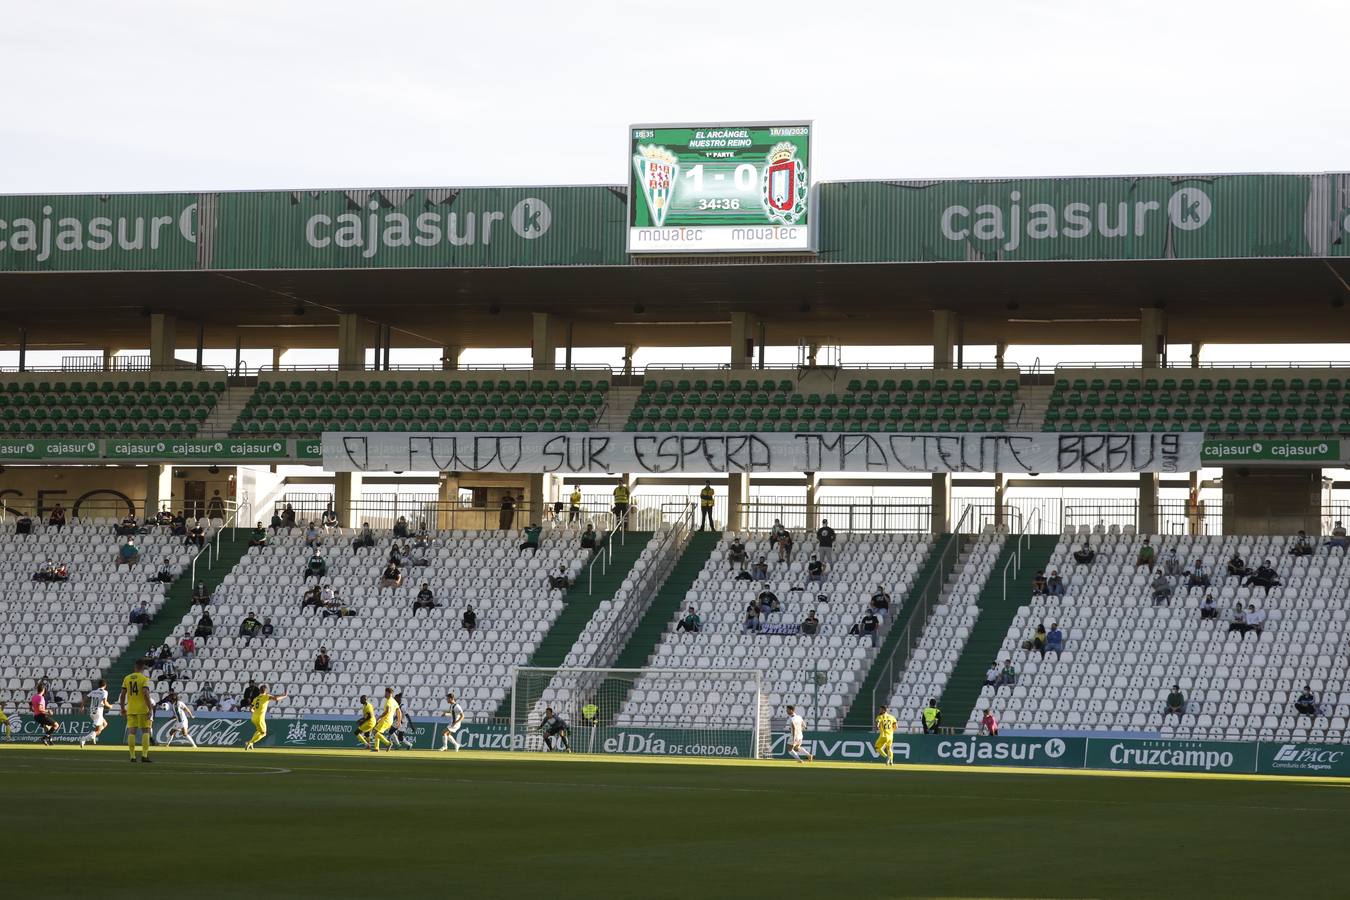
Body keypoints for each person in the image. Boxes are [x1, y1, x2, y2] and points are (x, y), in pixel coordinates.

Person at [120, 659, 154, 762]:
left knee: (132, 732)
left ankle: (132, 756)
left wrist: (122, 708)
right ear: (143, 668)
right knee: (146, 731)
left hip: (130, 709)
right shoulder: (144, 678)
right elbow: (145, 693)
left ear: (135, 667)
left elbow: (122, 694)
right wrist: (150, 708)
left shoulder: (127, 678)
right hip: (142, 709)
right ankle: (144, 755)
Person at [244, 682, 288, 750]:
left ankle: (251, 743)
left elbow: (251, 709)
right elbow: (276, 699)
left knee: (258, 731)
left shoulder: (256, 698)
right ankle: (250, 742)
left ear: (260, 691)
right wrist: (284, 696)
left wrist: (255, 712)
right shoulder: (266, 696)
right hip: (260, 718)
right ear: (266, 691)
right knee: (263, 733)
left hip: (253, 717)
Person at [79, 679, 113, 748]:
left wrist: (82, 706)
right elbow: (104, 702)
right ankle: (84, 739)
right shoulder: (104, 692)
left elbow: (86, 698)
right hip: (98, 713)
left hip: (92, 712)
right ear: (105, 685)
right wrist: (110, 706)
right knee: (98, 731)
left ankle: (92, 735)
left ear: (98, 685)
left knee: (105, 724)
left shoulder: (93, 691)